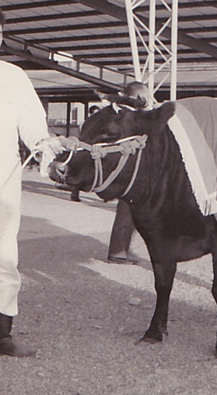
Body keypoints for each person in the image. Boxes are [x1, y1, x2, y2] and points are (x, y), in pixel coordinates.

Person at [0, 8, 65, 357]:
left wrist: (43, 143)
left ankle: (1, 335)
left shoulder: (13, 76)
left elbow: (32, 121)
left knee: (4, 256)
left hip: (3, 179)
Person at [107, 81, 154, 263]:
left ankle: (119, 251)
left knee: (126, 209)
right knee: (128, 210)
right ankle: (118, 252)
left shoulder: (120, 112)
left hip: (126, 170)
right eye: (147, 96)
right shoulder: (133, 115)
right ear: (139, 98)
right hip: (135, 170)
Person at [70, 105, 101, 202]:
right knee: (81, 170)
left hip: (96, 148)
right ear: (90, 114)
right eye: (94, 113)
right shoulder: (85, 123)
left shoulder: (101, 123)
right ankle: (75, 193)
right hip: (86, 148)